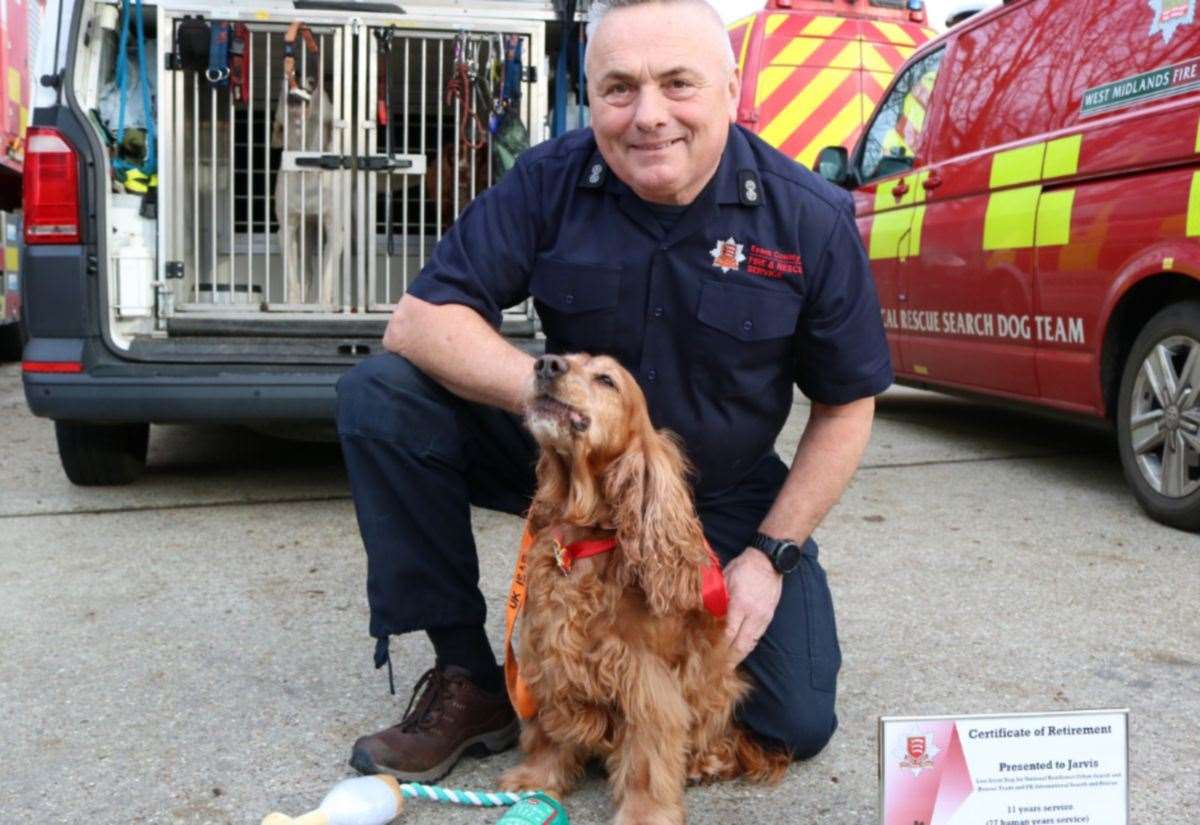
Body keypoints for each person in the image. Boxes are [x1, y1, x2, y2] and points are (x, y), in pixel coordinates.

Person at [335, 0, 892, 783]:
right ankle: (472, 677)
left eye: (678, 84)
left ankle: (628, 689)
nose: (649, 116)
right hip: (572, 460)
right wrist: (548, 403)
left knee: (793, 718)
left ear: (733, 89)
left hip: (716, 491)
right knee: (384, 397)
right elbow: (423, 321)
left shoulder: (808, 220)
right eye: (619, 89)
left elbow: (845, 407)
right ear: (588, 94)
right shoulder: (550, 181)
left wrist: (770, 555)